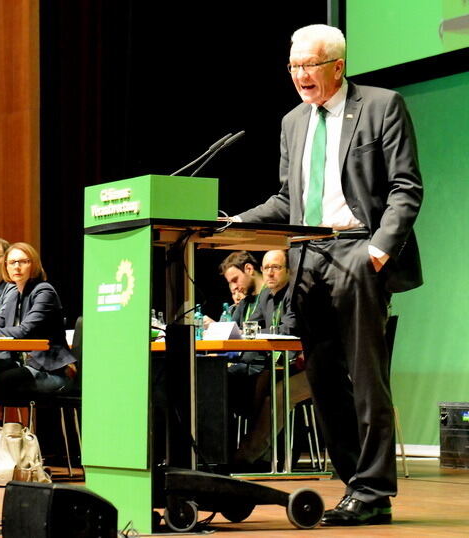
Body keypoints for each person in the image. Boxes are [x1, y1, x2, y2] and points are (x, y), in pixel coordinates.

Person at [234, 24, 423, 525]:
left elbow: (406, 187)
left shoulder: (382, 105)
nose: (300, 76)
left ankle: (375, 489)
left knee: (365, 378)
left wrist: (378, 251)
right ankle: (354, 487)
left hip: (359, 251)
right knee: (322, 380)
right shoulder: (293, 121)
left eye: (309, 66)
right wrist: (233, 223)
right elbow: (285, 199)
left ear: (337, 66)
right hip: (307, 259)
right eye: (293, 66)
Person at [233, 250, 312, 466]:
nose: (269, 273)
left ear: (289, 271)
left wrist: (256, 332)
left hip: (318, 368)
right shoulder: (266, 295)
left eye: (275, 267)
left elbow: (289, 329)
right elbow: (249, 327)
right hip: (287, 366)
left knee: (278, 394)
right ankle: (265, 457)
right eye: (266, 268)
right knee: (257, 383)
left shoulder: (296, 293)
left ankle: (247, 454)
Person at [0, 242, 76, 397]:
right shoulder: (15, 295)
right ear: (6, 267)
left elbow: (25, 330)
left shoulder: (44, 291)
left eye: (23, 262)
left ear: (34, 264)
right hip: (25, 365)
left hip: (51, 371)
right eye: (12, 262)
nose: (17, 267)